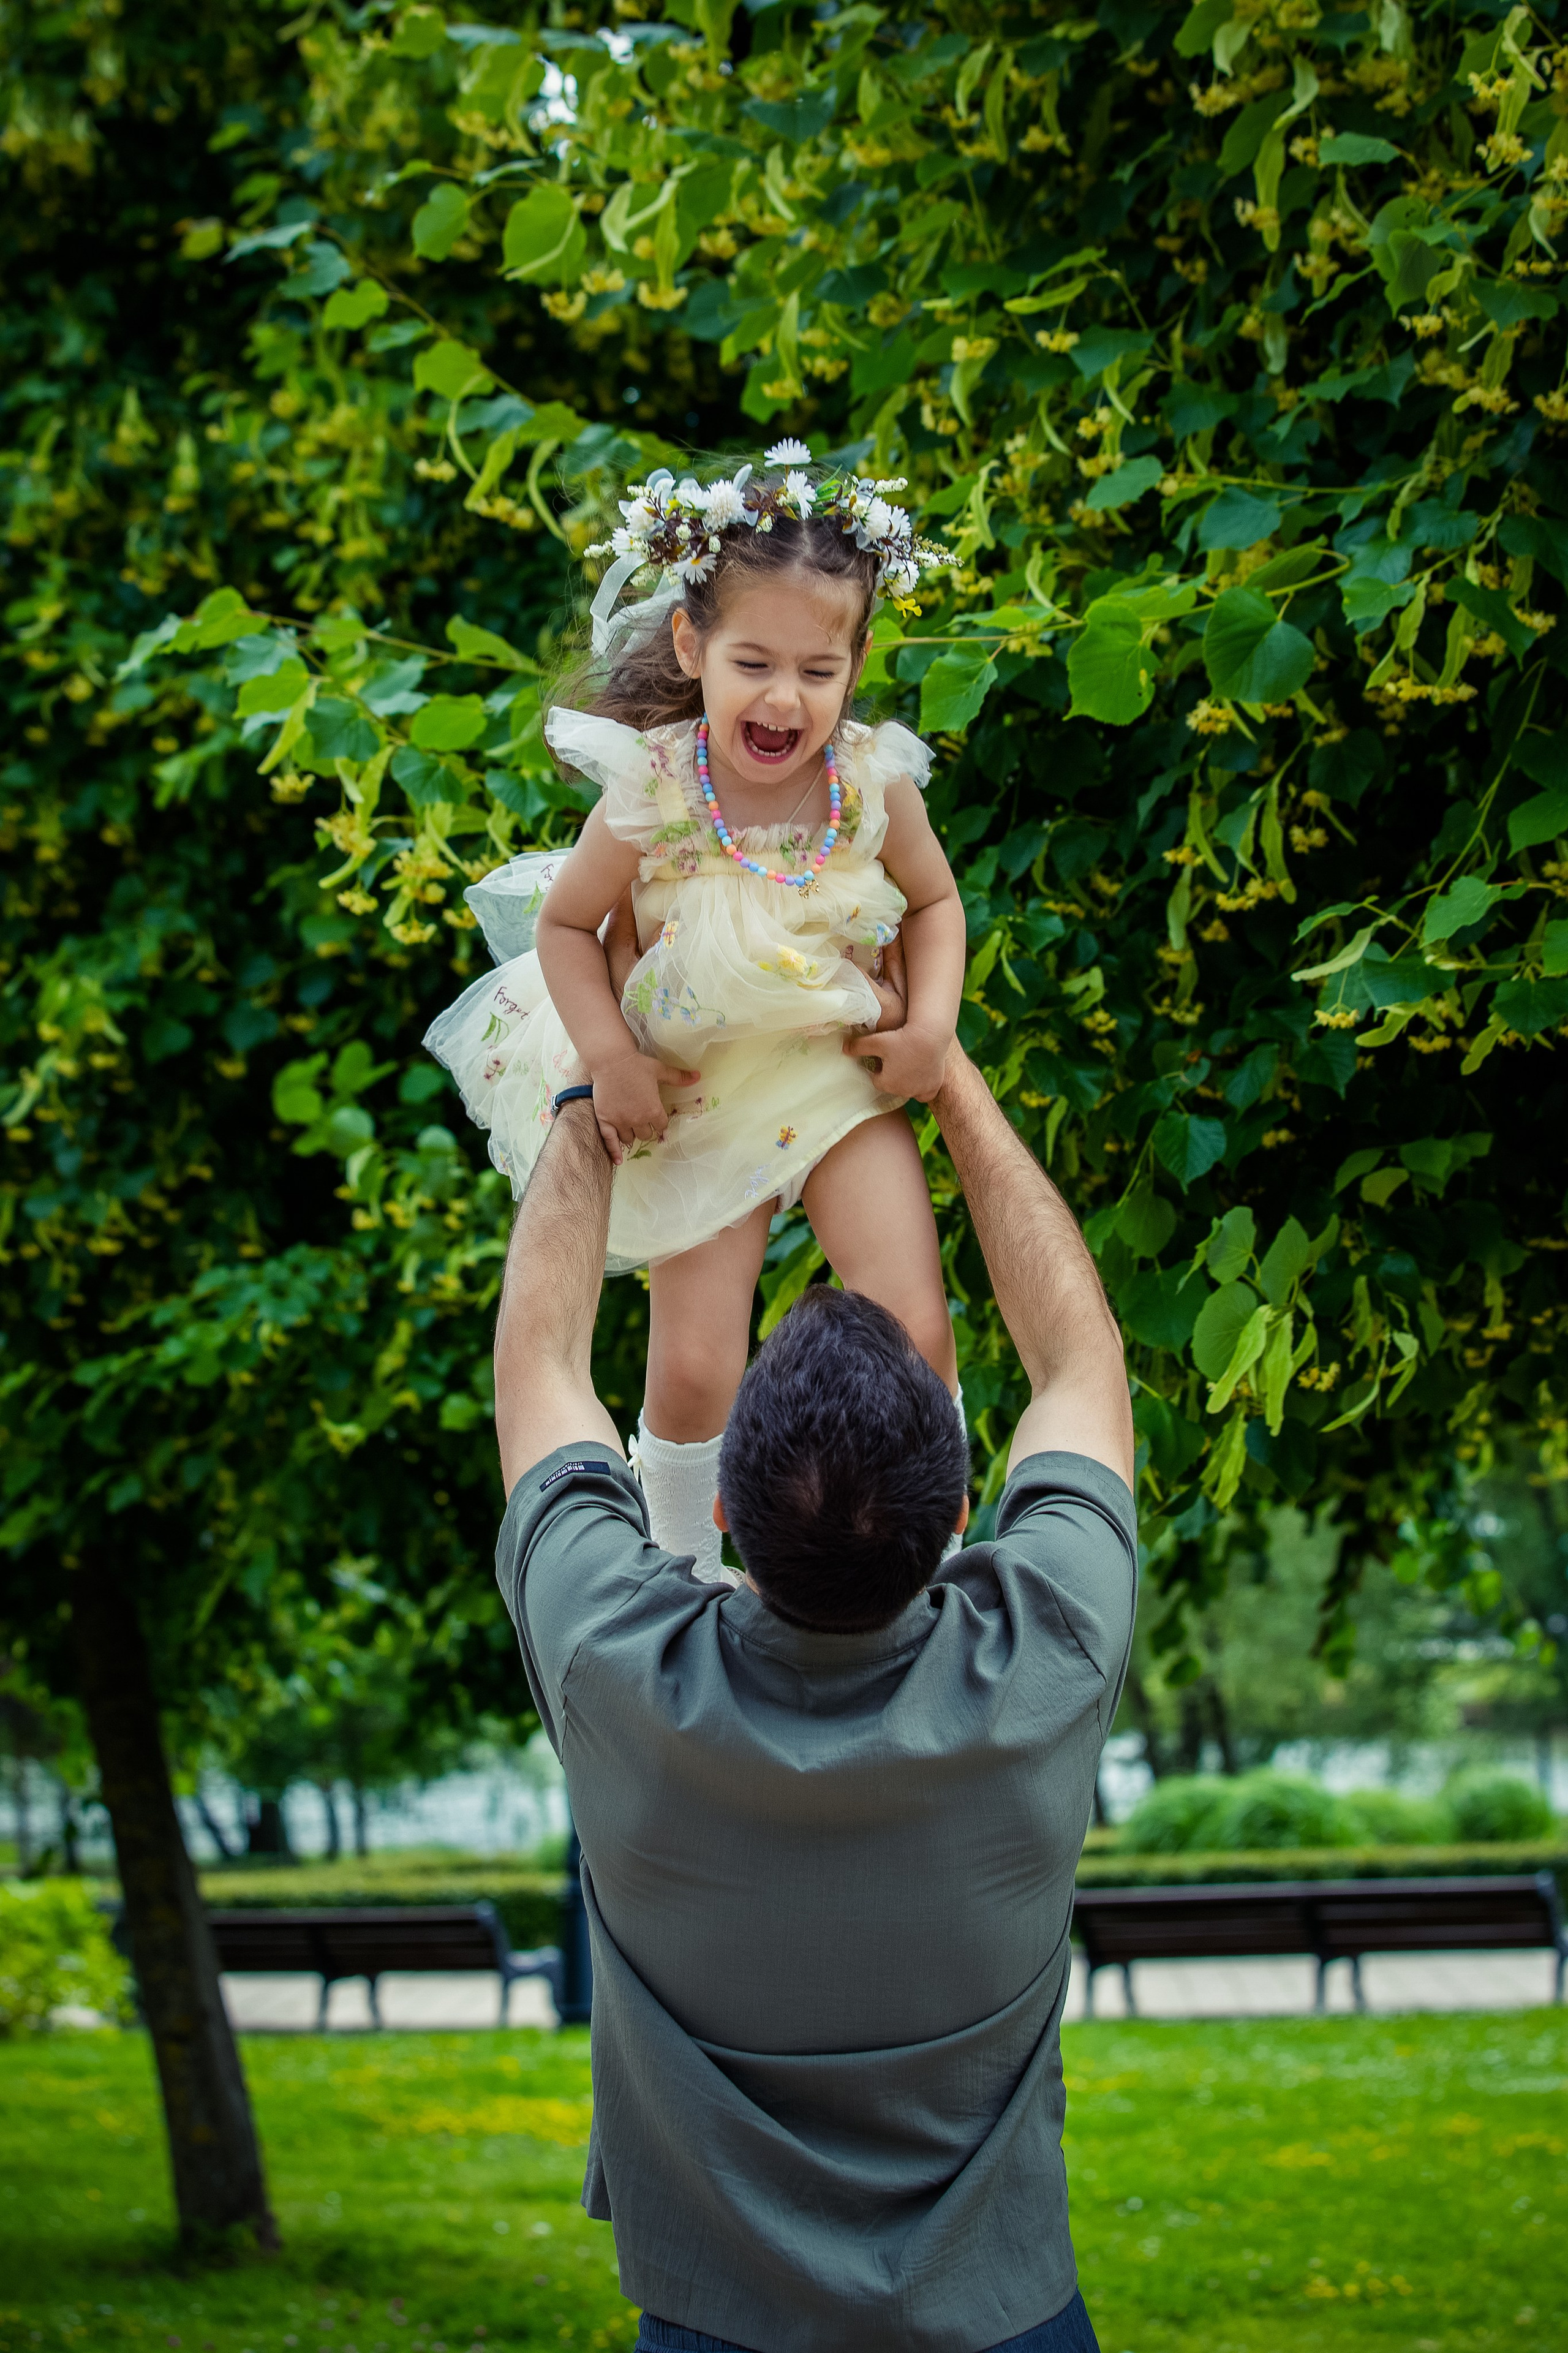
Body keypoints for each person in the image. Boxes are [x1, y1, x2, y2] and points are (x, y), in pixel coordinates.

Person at [491, 1029, 1137, 2353]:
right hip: (1010, 2323)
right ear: (958, 1513)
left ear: (721, 1514)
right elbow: (1079, 1360)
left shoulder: (620, 1668)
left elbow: (539, 1365)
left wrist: (595, 1082)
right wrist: (951, 1079)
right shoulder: (1045, 1652)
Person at [426, 444, 966, 1582]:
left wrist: (930, 1029)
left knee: (913, 1321)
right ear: (691, 647)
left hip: (834, 1073)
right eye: (752, 662)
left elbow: (935, 902)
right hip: (697, 1091)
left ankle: (938, 1551)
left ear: (859, 663)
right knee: (694, 1366)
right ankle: (682, 1569)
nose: (784, 698)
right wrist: (609, 1057)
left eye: (818, 669)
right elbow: (567, 927)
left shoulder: (872, 782)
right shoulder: (658, 787)